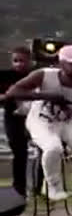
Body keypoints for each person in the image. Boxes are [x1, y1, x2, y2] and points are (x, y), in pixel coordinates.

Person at [4, 45, 72, 216]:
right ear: (62, 64)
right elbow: (12, 93)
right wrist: (49, 95)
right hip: (40, 120)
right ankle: (52, 185)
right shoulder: (43, 75)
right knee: (53, 148)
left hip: (68, 122)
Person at [0, 47, 33, 196]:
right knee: (19, 153)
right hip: (13, 118)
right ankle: (19, 189)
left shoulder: (35, 76)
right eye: (15, 61)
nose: (19, 64)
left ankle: (41, 186)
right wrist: (7, 97)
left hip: (36, 117)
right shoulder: (4, 76)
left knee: (44, 150)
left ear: (29, 61)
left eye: (22, 61)